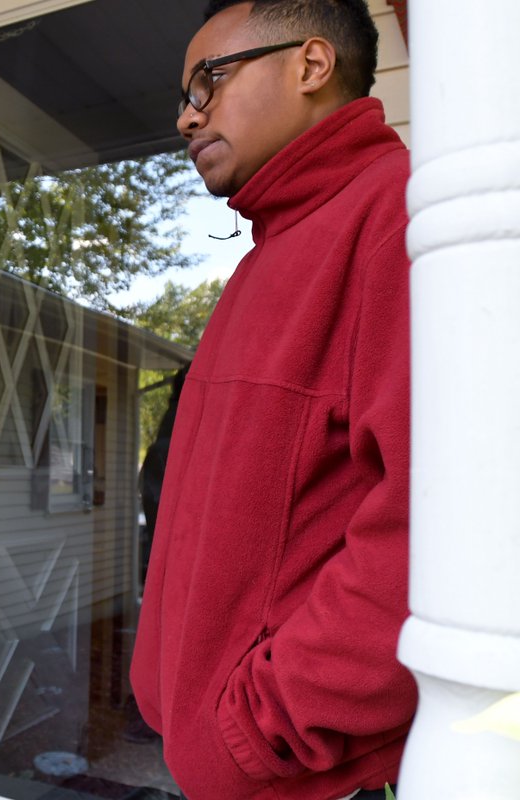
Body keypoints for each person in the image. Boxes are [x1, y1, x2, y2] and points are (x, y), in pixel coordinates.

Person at [130, 2, 414, 799]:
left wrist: (257, 733)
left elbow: (443, 528)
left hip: (315, 778)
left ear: (312, 65)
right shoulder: (270, 254)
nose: (187, 117)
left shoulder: (397, 218)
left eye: (208, 82)